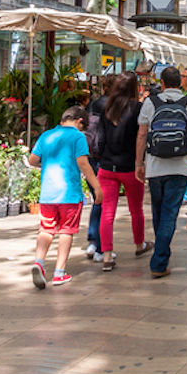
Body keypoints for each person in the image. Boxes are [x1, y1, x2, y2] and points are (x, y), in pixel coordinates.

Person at [136, 67, 187, 278]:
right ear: (180, 83)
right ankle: (159, 260)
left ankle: (160, 257)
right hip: (179, 168)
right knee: (169, 214)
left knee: (158, 212)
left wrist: (139, 162)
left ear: (162, 83)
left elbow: (141, 134)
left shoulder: (151, 102)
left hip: (155, 167)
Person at [28, 106, 101, 288]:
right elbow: (83, 163)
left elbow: (32, 160)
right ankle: (59, 272)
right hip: (69, 193)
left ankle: (39, 262)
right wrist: (97, 186)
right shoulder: (78, 137)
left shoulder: (46, 136)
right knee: (66, 231)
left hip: (48, 194)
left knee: (46, 229)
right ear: (80, 122)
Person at [94, 72, 151, 271]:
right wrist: (140, 162)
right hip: (130, 166)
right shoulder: (138, 108)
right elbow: (141, 136)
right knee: (136, 209)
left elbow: (100, 139)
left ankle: (107, 255)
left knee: (107, 212)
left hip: (108, 167)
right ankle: (139, 244)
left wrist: (102, 159)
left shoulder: (106, 107)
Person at [84, 74, 117, 262]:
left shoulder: (93, 104)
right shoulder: (112, 106)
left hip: (90, 155)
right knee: (103, 201)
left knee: (97, 199)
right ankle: (100, 246)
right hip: (104, 157)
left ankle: (92, 239)